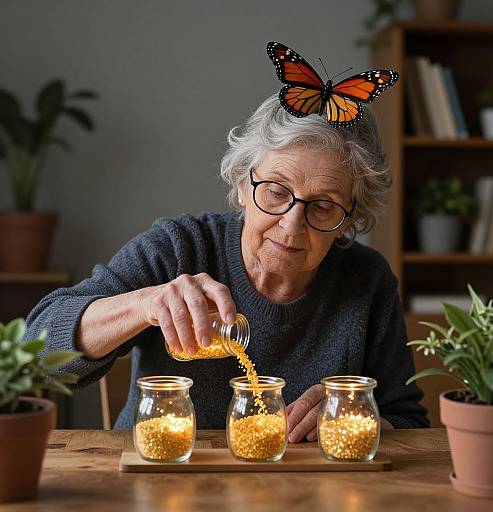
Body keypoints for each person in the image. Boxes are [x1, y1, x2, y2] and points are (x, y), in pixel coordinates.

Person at [26, 94, 429, 440]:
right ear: (241, 183)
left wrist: (357, 415)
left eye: (323, 206)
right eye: (275, 192)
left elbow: (408, 421)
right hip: (161, 479)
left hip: (305, 491)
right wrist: (144, 305)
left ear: (350, 217)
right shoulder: (178, 248)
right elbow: (37, 347)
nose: (291, 225)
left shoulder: (367, 280)